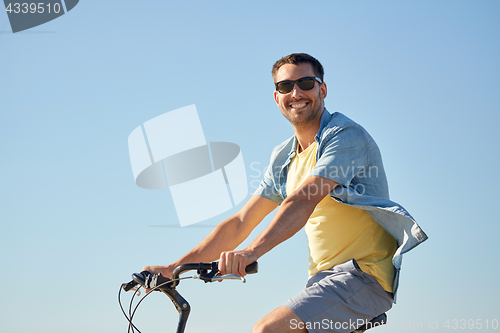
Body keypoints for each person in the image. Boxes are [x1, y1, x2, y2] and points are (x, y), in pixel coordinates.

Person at [142, 53, 427, 333]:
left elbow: (304, 198)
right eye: (285, 87)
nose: (296, 93)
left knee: (268, 330)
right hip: (321, 281)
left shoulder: (344, 136)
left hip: (363, 277)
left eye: (305, 83)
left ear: (322, 89)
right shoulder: (284, 156)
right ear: (276, 97)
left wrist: (251, 252)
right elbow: (242, 220)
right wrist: (174, 268)